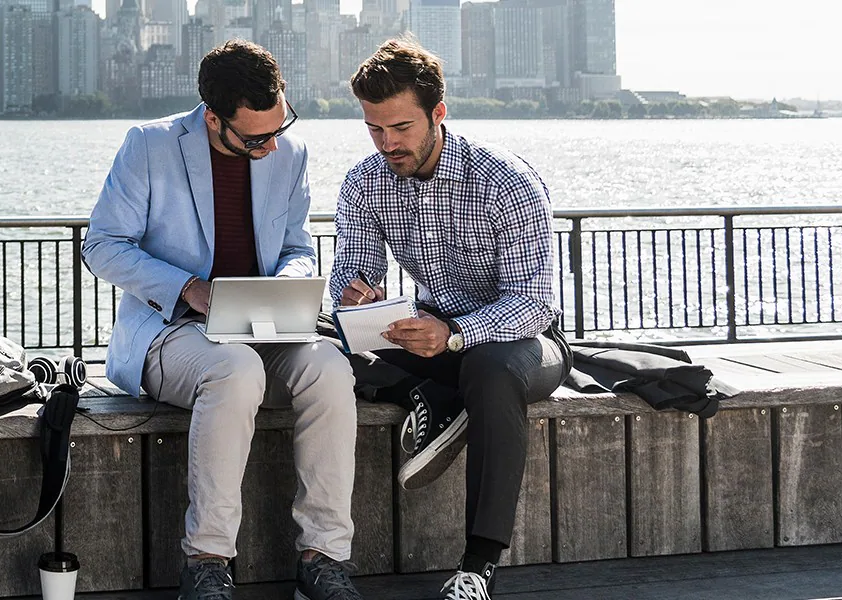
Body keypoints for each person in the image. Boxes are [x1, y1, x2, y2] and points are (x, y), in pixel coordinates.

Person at [83, 40, 363, 600]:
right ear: (212, 116)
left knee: (331, 367)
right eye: (256, 137)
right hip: (171, 331)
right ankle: (206, 562)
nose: (270, 145)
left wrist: (289, 283)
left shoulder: (290, 152)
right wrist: (189, 289)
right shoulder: (148, 145)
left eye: (279, 127)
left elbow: (297, 246)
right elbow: (103, 245)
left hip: (264, 327)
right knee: (235, 370)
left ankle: (323, 558)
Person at [327, 38, 573, 600]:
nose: (388, 143)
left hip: (523, 342)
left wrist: (456, 334)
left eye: (402, 127)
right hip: (430, 336)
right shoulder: (365, 181)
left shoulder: (505, 181)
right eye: (374, 129)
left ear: (439, 113)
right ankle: (432, 397)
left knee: (487, 370)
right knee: (319, 340)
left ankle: (478, 566)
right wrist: (360, 299)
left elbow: (534, 303)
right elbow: (351, 274)